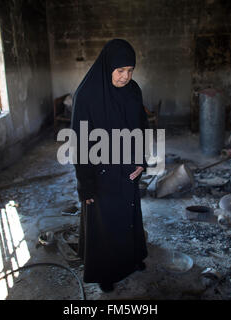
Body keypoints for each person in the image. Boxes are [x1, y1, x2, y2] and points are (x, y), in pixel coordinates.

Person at [70, 39, 149, 293]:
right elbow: (79, 142)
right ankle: (106, 271)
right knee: (106, 223)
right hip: (100, 171)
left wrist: (141, 160)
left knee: (129, 217)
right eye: (120, 71)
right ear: (108, 67)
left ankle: (132, 258)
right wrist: (86, 185)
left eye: (130, 70)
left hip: (127, 168)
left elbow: (142, 127)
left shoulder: (133, 90)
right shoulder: (86, 95)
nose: (126, 77)